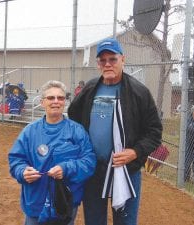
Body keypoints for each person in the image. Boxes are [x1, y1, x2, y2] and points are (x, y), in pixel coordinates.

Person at [68, 38, 162, 225]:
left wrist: (134, 152)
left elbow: (154, 131)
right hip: (93, 167)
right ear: (98, 64)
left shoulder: (139, 92)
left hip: (125, 169)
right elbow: (73, 119)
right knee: (94, 220)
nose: (108, 64)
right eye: (103, 61)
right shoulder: (90, 89)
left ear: (123, 60)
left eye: (113, 59)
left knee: (125, 220)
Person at [8, 80, 96, 225]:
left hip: (64, 203)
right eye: (51, 98)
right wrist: (22, 171)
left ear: (65, 102)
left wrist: (66, 168)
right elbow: (16, 159)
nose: (56, 101)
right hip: (35, 201)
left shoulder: (77, 131)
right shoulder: (30, 132)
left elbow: (89, 161)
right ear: (42, 102)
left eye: (60, 98)